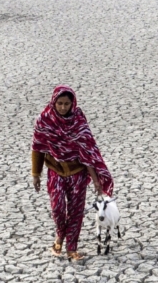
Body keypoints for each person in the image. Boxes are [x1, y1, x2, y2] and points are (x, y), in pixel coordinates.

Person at [31, 85, 114, 261]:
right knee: (58, 207)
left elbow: (88, 151)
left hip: (77, 172)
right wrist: (36, 174)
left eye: (66, 104)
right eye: (59, 103)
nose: (62, 107)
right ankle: (60, 235)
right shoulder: (45, 120)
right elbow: (37, 148)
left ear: (72, 103)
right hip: (56, 170)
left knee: (76, 211)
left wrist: (96, 179)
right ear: (53, 102)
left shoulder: (78, 121)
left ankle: (71, 248)